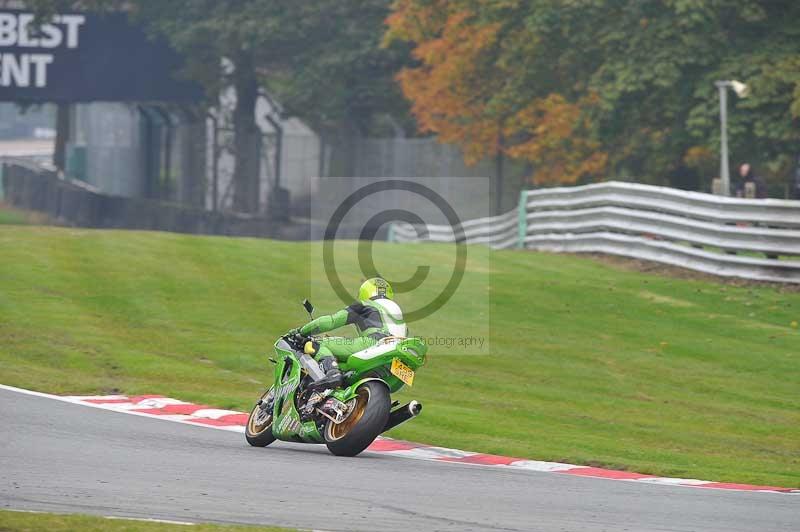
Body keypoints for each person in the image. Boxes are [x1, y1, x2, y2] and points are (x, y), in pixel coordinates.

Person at [288, 277, 407, 389]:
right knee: (346, 367)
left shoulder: (364, 305)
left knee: (315, 344)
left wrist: (300, 331)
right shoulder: (398, 316)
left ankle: (333, 373)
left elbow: (330, 322)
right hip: (398, 356)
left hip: (374, 343)